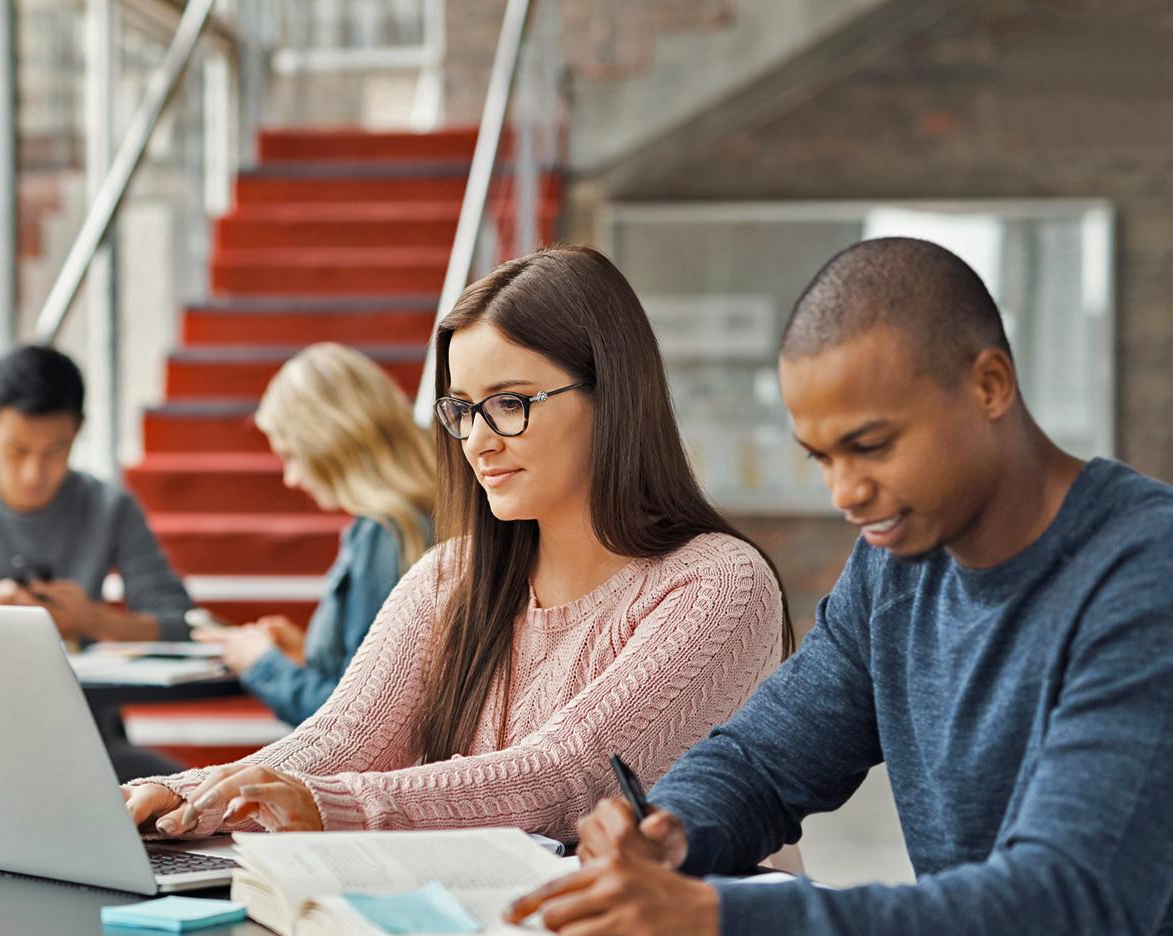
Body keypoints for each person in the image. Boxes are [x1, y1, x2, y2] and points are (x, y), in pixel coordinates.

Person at [508, 238, 1173, 935]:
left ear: (990, 386)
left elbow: (1070, 903)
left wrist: (717, 916)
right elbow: (762, 760)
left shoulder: (1163, 580)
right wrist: (669, 834)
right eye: (822, 457)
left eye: (871, 445)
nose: (846, 492)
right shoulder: (897, 566)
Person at [123, 245, 793, 840]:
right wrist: (185, 797)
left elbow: (569, 779)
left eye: (509, 403)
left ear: (611, 397)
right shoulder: (451, 574)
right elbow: (341, 738)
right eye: (461, 408)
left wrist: (334, 807)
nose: (476, 439)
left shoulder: (719, 583)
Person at [0, 343, 197, 777]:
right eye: (17, 450)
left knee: (176, 792)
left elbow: (182, 623)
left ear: (79, 431)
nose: (34, 473)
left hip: (85, 740)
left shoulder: (109, 508)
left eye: (56, 452)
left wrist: (94, 620)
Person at [194, 342, 435, 726]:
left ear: (329, 442)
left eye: (291, 456)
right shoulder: (425, 515)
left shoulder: (387, 534)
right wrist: (308, 656)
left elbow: (360, 722)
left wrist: (263, 664)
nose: (290, 479)